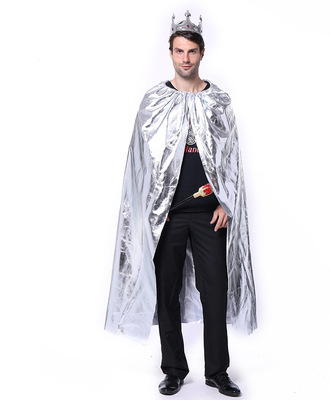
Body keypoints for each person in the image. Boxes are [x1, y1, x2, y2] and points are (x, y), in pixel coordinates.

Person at [105, 10, 257, 397]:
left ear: (202, 53)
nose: (185, 58)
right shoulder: (154, 101)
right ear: (170, 53)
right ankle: (173, 369)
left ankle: (217, 371)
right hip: (167, 216)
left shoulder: (218, 102)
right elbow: (139, 163)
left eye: (191, 51)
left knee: (215, 291)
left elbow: (231, 160)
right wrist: (148, 210)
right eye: (179, 51)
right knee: (167, 292)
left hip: (209, 216)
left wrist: (226, 203)